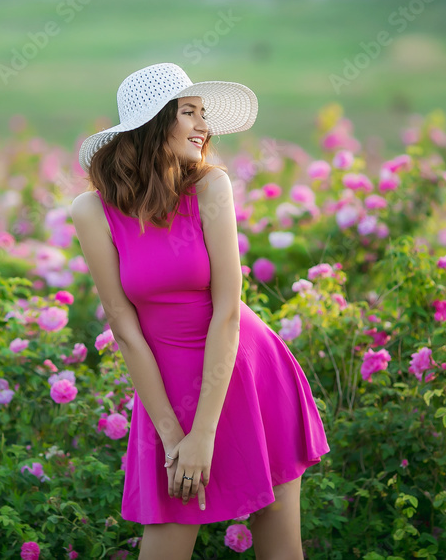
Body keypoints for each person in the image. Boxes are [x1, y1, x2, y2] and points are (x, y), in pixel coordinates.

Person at [70, 63, 331, 559]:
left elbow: (228, 311)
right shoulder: (92, 211)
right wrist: (174, 438)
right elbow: (125, 329)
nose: (204, 126)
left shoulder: (211, 188)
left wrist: (204, 432)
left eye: (203, 114)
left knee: (280, 550)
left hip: (244, 371)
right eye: (188, 113)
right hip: (166, 389)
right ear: (153, 124)